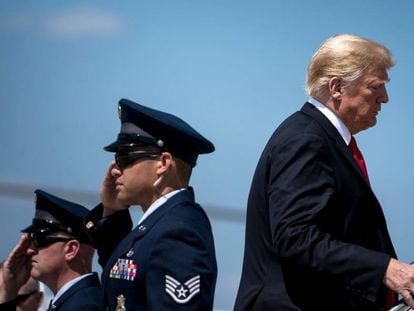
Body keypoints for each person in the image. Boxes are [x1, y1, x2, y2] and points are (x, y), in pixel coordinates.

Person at [234, 34, 414, 310]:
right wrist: (385, 268)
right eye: (376, 87)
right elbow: (294, 236)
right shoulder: (306, 138)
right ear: (337, 87)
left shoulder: (322, 139)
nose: (385, 99)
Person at [84, 98, 217, 310]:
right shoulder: (161, 224)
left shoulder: (178, 232)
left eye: (125, 158)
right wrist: (112, 211)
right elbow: (124, 279)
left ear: (163, 164)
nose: (116, 169)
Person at [0, 189, 103, 310]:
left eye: (39, 239)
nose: (29, 250)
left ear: (71, 250)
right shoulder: (70, 302)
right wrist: (8, 292)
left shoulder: (84, 307)